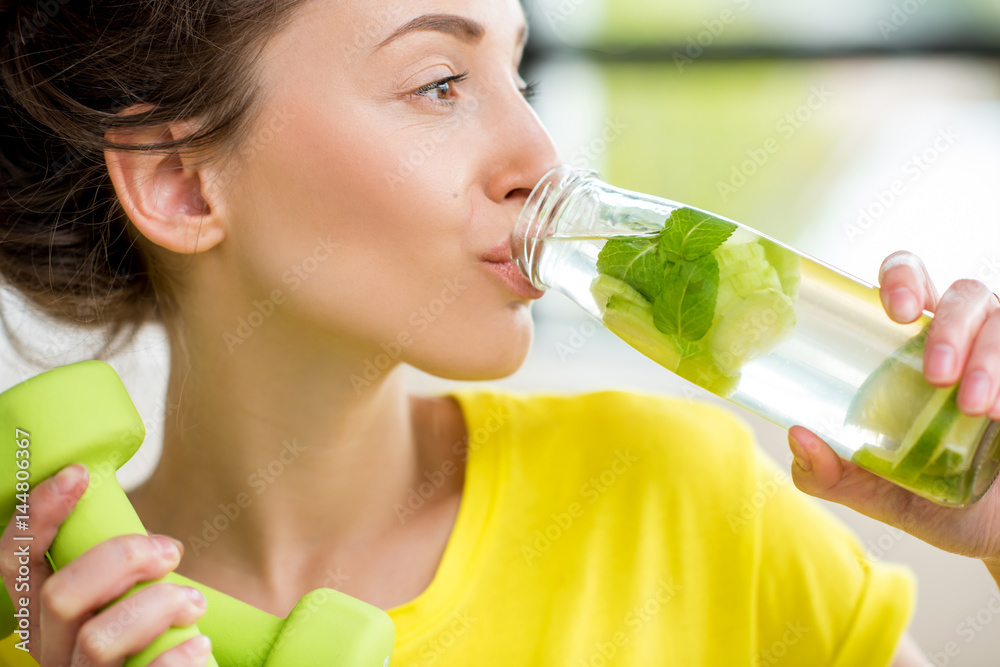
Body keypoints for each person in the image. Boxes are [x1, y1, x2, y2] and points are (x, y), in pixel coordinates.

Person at [0, 1, 997, 665]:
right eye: (439, 84)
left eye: (516, 72)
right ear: (180, 183)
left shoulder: (674, 501)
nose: (538, 153)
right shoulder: (36, 622)